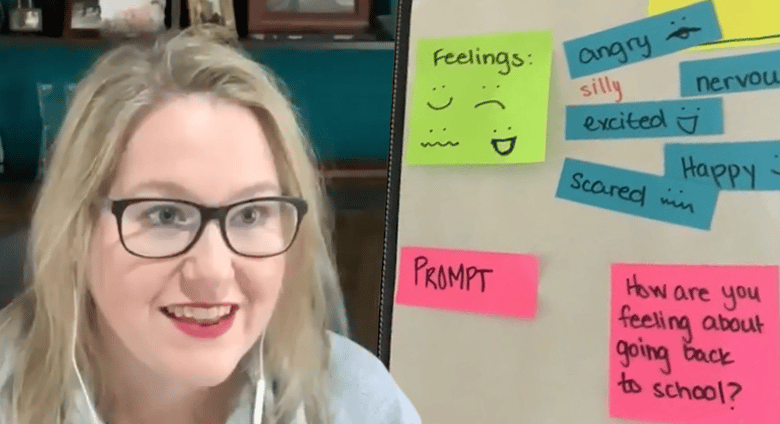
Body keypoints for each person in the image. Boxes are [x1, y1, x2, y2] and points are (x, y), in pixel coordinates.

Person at [0, 25, 420, 424]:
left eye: (251, 214)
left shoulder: (358, 404)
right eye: (165, 215)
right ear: (78, 230)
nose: (214, 274)